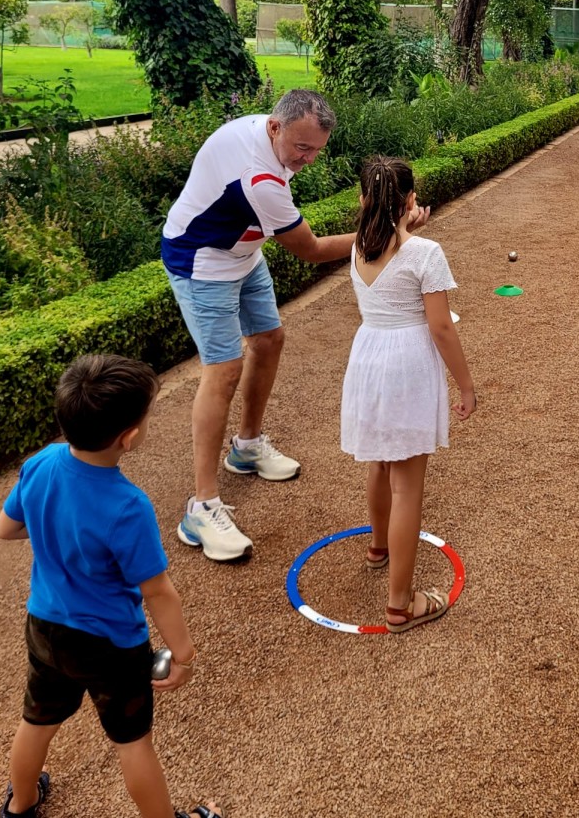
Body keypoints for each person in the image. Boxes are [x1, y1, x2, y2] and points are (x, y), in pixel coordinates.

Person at [162, 89, 429, 562]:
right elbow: (311, 250)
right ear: (274, 128)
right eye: (300, 149)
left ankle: (245, 448)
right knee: (223, 368)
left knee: (269, 338)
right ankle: (201, 507)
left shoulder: (272, 135)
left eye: (316, 149)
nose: (305, 159)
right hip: (202, 260)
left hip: (242, 252)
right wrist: (392, 235)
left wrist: (392, 234)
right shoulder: (261, 178)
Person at [0, 355, 221, 818]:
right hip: (110, 644)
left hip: (45, 627)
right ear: (129, 437)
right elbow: (157, 591)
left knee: (36, 721)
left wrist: (49, 530)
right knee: (132, 743)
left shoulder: (40, 464)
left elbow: (6, 528)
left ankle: (20, 804)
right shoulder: (127, 506)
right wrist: (184, 655)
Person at [340, 155, 477, 633]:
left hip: (369, 356)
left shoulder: (356, 245)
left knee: (380, 463)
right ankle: (401, 603)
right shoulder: (425, 253)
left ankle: (378, 547)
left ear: (362, 201)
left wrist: (405, 223)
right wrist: (465, 383)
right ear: (412, 201)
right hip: (406, 363)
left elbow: (386, 237)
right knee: (408, 486)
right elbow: (440, 326)